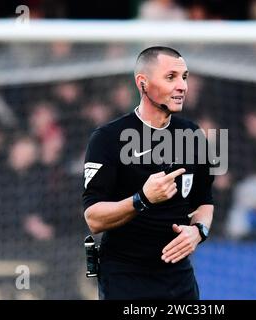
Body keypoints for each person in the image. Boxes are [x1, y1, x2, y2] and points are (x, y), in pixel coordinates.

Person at [82, 46, 215, 300]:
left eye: (184, 77)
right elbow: (94, 219)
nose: (182, 86)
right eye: (171, 77)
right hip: (124, 278)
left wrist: (198, 231)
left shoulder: (193, 135)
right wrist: (142, 198)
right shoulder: (107, 139)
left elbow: (204, 203)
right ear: (143, 83)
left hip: (179, 280)